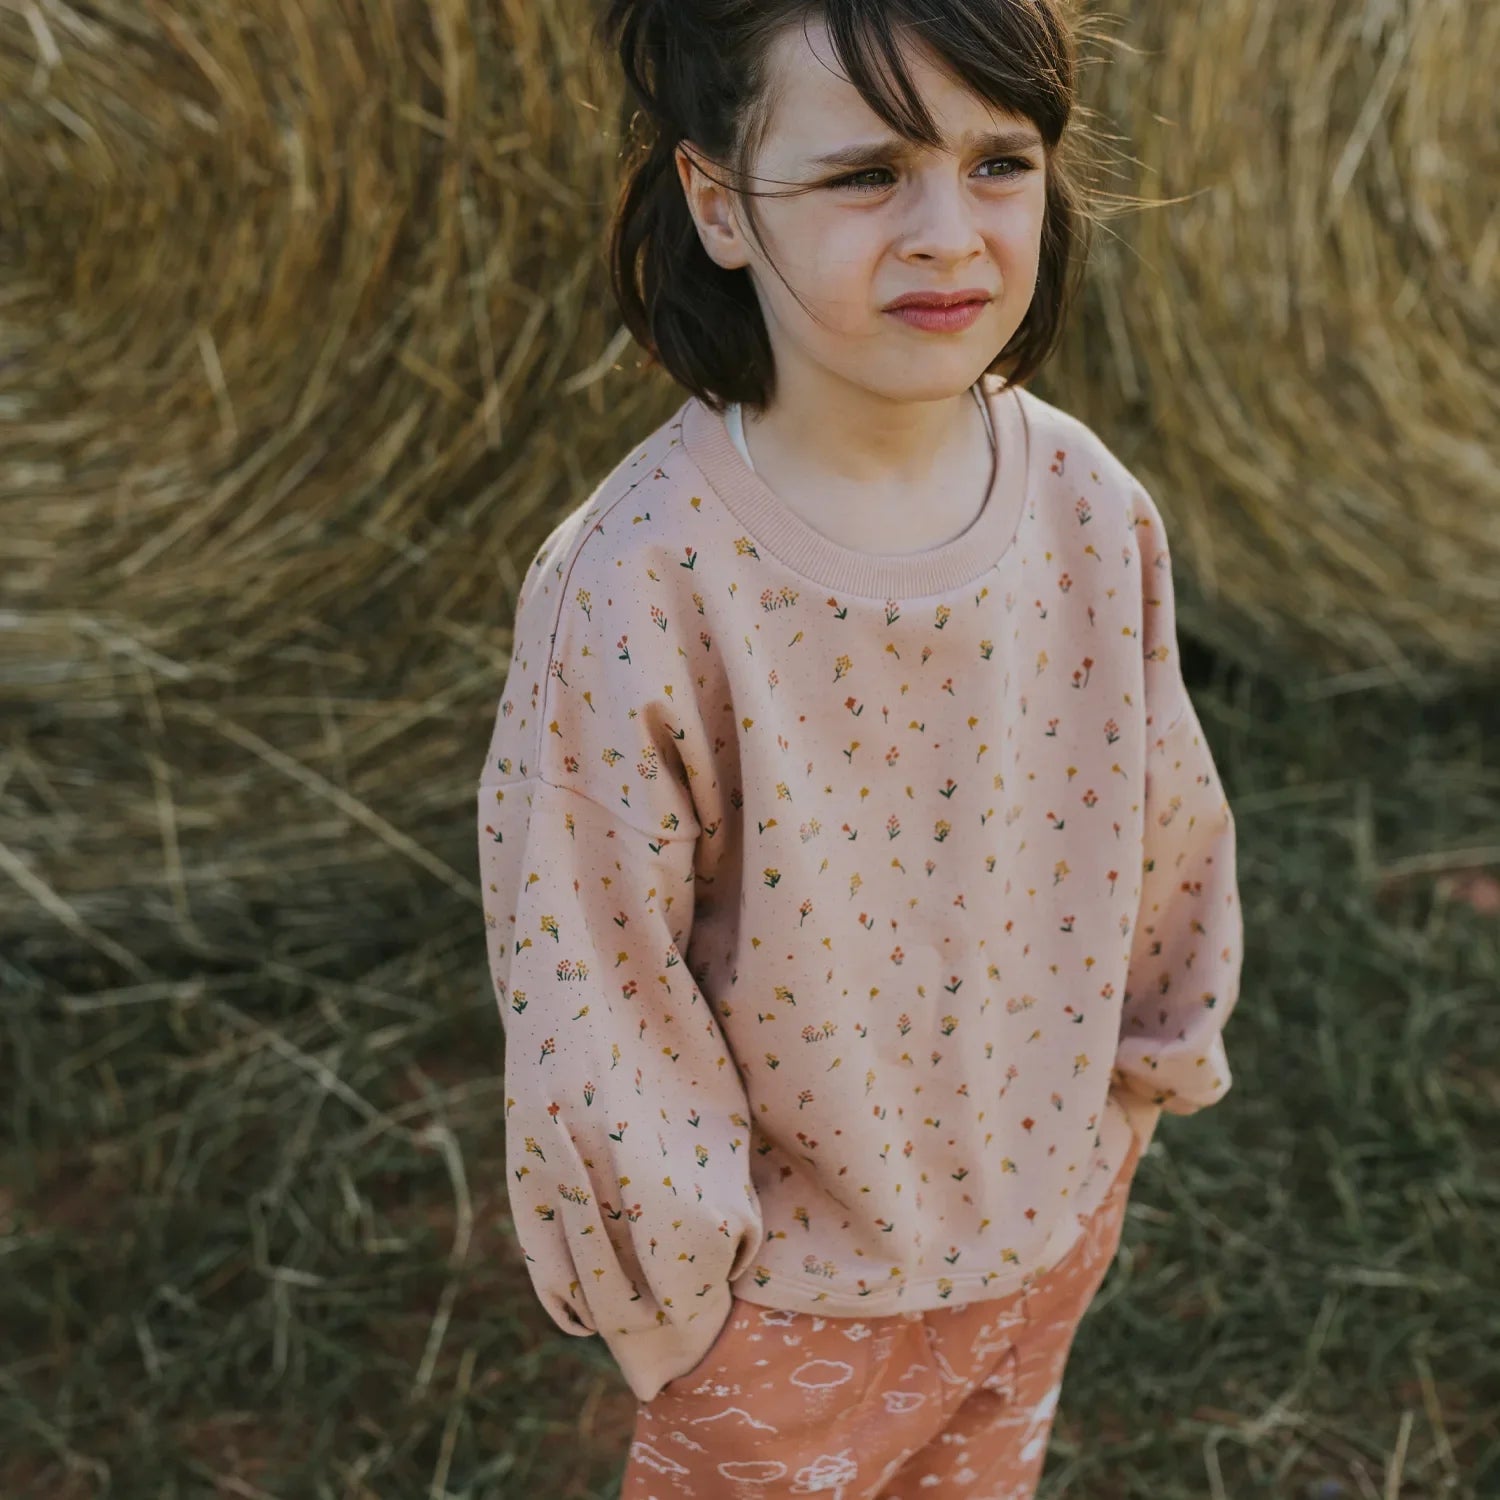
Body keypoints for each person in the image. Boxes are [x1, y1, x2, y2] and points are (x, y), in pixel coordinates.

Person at [475, 2, 1243, 1494]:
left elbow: (1164, 817)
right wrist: (680, 1309)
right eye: (864, 175)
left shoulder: (1088, 503)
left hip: (1043, 1233)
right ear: (718, 204)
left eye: (997, 162)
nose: (948, 232)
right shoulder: (638, 583)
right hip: (775, 1307)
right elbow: (591, 971)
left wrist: (1134, 1095)